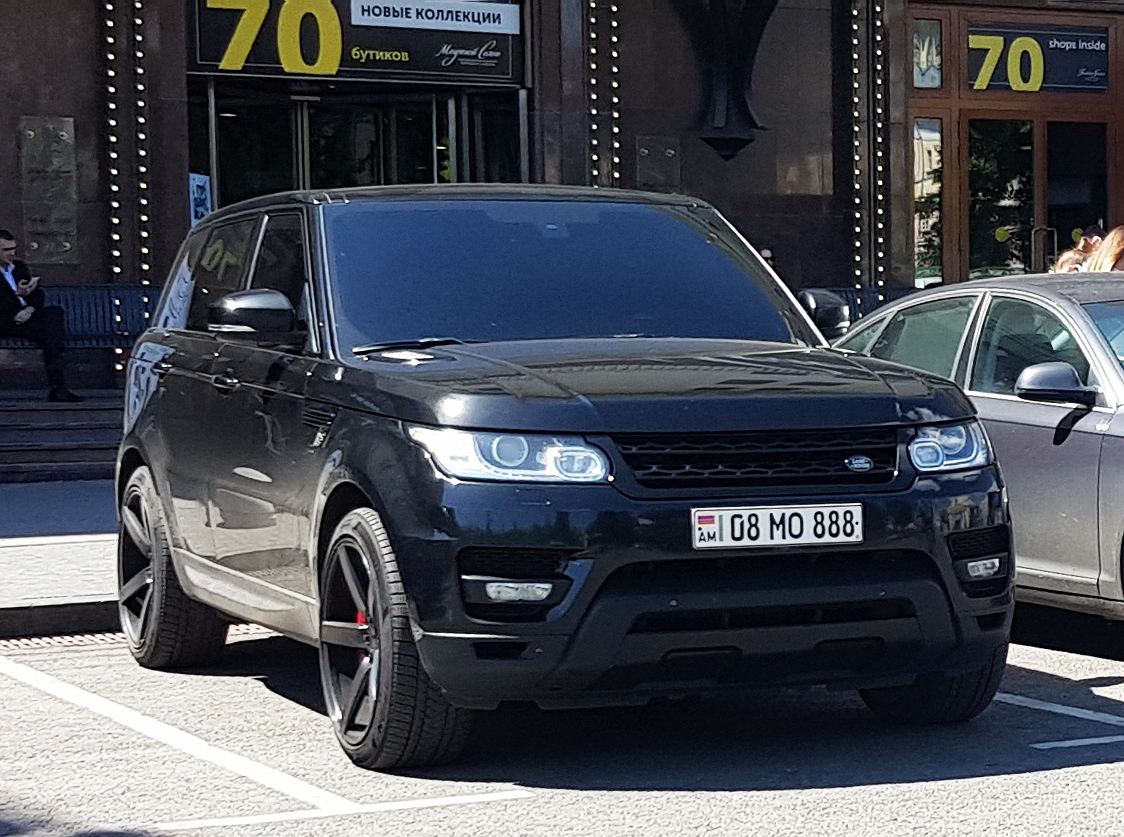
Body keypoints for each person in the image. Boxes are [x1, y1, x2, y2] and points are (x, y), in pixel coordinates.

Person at [0, 229, 83, 401]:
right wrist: (17, 294)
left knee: (54, 315)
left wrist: (30, 308)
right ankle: (57, 381)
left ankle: (58, 387)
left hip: (25, 317)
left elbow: (37, 294)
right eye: (6, 250)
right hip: (5, 320)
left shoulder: (18, 268)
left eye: (13, 248)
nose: (12, 253)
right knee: (50, 333)